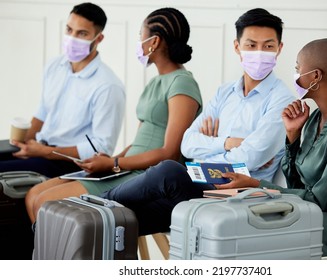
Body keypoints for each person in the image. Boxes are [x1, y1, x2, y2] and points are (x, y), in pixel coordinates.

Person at [100, 8, 295, 236]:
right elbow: (188, 143)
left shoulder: (282, 100)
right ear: (237, 47)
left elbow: (251, 157)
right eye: (251, 45)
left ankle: (100, 202)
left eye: (268, 46)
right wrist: (227, 142)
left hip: (240, 195)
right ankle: (97, 217)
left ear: (279, 49)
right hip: (203, 186)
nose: (260, 53)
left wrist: (207, 153)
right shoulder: (225, 93)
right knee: (120, 220)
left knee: (168, 172)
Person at [25, 7, 203, 224]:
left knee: (46, 201)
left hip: (146, 176)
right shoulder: (156, 81)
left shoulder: (182, 83)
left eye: (141, 36)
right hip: (128, 169)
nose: (139, 42)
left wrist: (115, 163)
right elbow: (140, 142)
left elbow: (170, 153)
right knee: (34, 195)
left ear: (154, 42)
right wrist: (109, 161)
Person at [216, 38, 327, 257]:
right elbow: (298, 186)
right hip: (313, 212)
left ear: (315, 76)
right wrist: (292, 136)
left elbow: (318, 200)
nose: (294, 75)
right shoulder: (314, 119)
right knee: (244, 221)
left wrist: (256, 185)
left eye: (297, 69)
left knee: (256, 234)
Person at [0, 3, 126, 178]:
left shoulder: (108, 86)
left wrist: (45, 152)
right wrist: (21, 144)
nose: (72, 37)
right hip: (40, 149)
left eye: (82, 33)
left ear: (99, 38)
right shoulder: (54, 66)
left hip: (69, 164)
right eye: (69, 30)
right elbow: (42, 113)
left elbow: (101, 147)